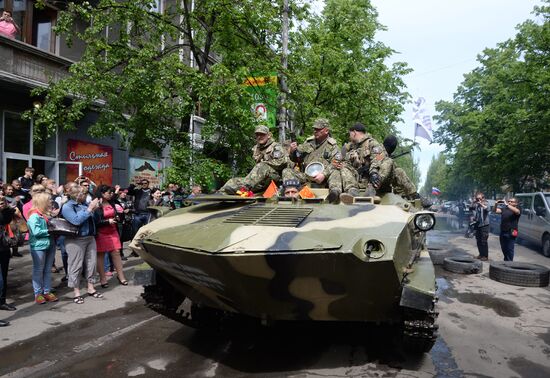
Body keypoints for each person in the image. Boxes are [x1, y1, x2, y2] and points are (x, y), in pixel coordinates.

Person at [282, 118, 342, 203]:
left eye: (318, 129)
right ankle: (291, 195)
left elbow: (336, 163)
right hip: (307, 176)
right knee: (287, 171)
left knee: (336, 172)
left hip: (324, 178)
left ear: (326, 131)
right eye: (314, 129)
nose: (315, 131)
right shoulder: (308, 143)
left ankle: (334, 194)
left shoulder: (333, 146)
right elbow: (296, 158)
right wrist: (292, 151)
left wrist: (324, 175)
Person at [62, 186, 102, 304]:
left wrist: (95, 210)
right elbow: (76, 221)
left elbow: (95, 220)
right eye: (84, 193)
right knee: (76, 265)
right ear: (77, 195)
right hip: (76, 239)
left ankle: (91, 288)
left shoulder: (84, 204)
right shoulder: (67, 206)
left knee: (92, 264)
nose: (86, 196)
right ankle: (76, 292)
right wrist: (89, 209)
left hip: (90, 237)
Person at [220, 125, 288, 194]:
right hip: (259, 179)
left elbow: (282, 162)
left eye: (262, 134)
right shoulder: (256, 148)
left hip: (275, 178)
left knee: (262, 166)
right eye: (257, 134)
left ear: (268, 135)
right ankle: (221, 192)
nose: (259, 137)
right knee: (233, 181)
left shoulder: (276, 147)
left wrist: (265, 163)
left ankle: (244, 188)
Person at [338, 123, 392, 203]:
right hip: (357, 178)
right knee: (343, 165)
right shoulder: (349, 147)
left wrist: (373, 172)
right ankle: (352, 191)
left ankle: (372, 188)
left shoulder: (372, 143)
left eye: (350, 134)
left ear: (354, 133)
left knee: (388, 161)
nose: (349, 136)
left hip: (372, 178)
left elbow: (379, 157)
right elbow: (338, 160)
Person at [26, 193, 59, 304]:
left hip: (50, 244)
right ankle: (38, 294)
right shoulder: (34, 215)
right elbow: (36, 232)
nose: (51, 202)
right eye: (49, 200)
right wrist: (50, 231)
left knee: (47, 269)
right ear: (42, 202)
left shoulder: (44, 214)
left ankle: (47, 291)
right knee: (38, 270)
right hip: (38, 246)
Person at [93, 185, 128, 287]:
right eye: (109, 193)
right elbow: (96, 221)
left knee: (116, 252)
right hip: (101, 232)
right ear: (102, 193)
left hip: (113, 231)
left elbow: (118, 214)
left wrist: (118, 216)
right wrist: (107, 221)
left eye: (112, 192)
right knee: (101, 254)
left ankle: (121, 276)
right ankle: (103, 279)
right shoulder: (96, 204)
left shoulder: (112, 202)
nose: (112, 194)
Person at [0, 195, 17, 312]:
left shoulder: (6, 212)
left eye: (2, 202)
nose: (1, 203)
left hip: (3, 247)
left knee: (4, 276)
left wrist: (7, 208)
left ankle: (2, 301)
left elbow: (6, 220)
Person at [471, 192, 490, 261]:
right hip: (478, 224)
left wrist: (481, 204)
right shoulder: (476, 204)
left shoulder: (486, 203)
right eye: (477, 198)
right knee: (478, 240)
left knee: (484, 240)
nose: (478, 200)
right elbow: (471, 208)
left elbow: (487, 209)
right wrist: (473, 202)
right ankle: (481, 254)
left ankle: (485, 256)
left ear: (483, 198)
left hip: (484, 224)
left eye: (480, 198)